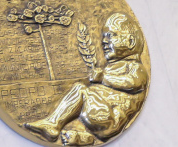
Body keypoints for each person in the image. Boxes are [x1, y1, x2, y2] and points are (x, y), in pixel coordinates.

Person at [25, 13, 149, 145]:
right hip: (101, 115)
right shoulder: (111, 67)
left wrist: (102, 78)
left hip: (111, 119)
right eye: (103, 37)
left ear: (130, 41)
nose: (104, 41)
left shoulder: (136, 68)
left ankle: (55, 125)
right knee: (81, 89)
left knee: (82, 91)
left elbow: (133, 83)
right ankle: (78, 135)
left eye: (111, 36)